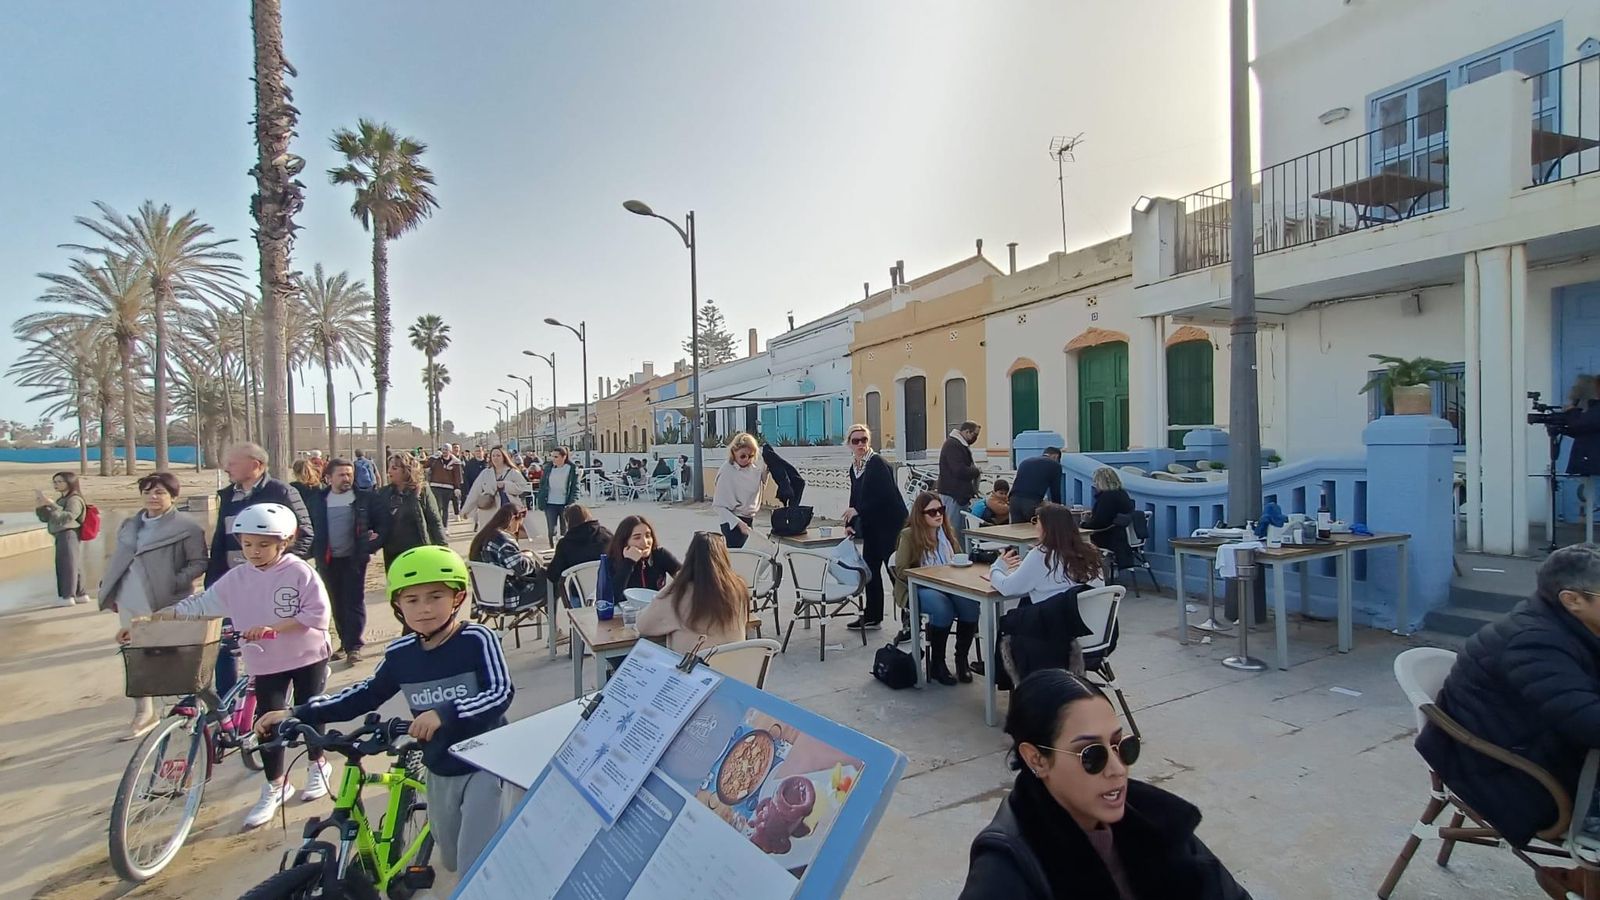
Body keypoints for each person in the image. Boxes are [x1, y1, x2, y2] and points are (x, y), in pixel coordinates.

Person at [256, 545, 513, 877]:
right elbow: (364, 695)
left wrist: (444, 713)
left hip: (484, 762)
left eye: (436, 596)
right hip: (438, 765)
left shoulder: (477, 638)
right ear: (398, 606)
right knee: (450, 856)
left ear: (458, 598)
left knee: (475, 864)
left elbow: (500, 692)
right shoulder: (401, 654)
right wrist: (296, 712)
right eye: (412, 600)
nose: (424, 609)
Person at [127, 503, 334, 829]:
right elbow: (202, 604)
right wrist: (158, 616)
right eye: (247, 544)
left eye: (263, 544)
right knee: (267, 723)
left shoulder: (300, 572)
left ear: (285, 541)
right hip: (264, 661)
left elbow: (317, 616)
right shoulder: (236, 578)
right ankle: (275, 785)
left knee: (309, 712)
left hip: (307, 655)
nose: (254, 551)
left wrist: (272, 628)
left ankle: (317, 765)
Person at [960, 670, 1251, 900]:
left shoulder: (1158, 821)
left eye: (1120, 746)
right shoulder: (1006, 868)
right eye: (1092, 755)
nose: (1117, 769)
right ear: (1037, 759)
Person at [1416, 544, 1600, 849]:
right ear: (1573, 600)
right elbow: (1589, 722)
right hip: (1511, 776)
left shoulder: (1570, 625)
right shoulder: (1533, 643)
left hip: (1541, 745)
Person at [99, 472, 208, 739]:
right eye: (147, 491)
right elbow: (120, 559)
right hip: (129, 597)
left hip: (167, 599)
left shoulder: (187, 527)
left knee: (178, 654)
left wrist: (174, 581)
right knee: (137, 655)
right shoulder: (130, 525)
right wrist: (110, 588)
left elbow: (199, 562)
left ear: (173, 496)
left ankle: (193, 703)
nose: (153, 497)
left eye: (159, 492)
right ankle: (144, 713)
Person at [894, 491, 976, 685]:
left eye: (941, 510)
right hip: (918, 587)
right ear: (920, 515)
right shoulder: (909, 535)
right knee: (942, 607)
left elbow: (959, 557)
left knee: (971, 604)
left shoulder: (946, 532)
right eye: (932, 512)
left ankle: (961, 660)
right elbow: (900, 569)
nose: (938, 515)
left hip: (949, 584)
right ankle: (937, 663)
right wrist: (927, 575)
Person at [306, 458, 383, 665]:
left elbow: (382, 526)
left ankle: (354, 646)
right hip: (328, 561)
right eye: (341, 475)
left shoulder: (364, 499)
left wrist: (371, 545)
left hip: (354, 560)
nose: (347, 478)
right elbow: (309, 528)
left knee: (353, 601)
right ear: (328, 478)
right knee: (335, 603)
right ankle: (344, 642)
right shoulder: (318, 500)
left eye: (349, 474)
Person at [206, 442, 314, 587]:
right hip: (234, 582)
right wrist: (213, 580)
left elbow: (305, 535)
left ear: (255, 465)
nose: (226, 469)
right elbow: (220, 542)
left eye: (232, 464)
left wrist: (279, 569)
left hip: (273, 583)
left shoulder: (281, 493)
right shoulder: (228, 496)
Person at [842, 424, 908, 636]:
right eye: (856, 441)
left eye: (864, 440)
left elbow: (884, 496)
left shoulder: (876, 463)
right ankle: (872, 615)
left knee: (894, 572)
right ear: (849, 444)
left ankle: (909, 622)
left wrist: (857, 510)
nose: (860, 444)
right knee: (870, 571)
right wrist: (850, 524)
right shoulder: (855, 467)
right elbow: (856, 496)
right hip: (872, 526)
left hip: (890, 527)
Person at [638, 531, 750, 653]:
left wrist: (675, 584)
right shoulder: (739, 588)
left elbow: (643, 626)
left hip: (693, 669)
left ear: (689, 559)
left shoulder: (678, 594)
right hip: (733, 668)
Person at [372, 452, 447, 569]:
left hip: (419, 550)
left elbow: (435, 521)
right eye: (389, 468)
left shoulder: (422, 491)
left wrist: (443, 549)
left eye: (394, 468)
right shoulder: (383, 494)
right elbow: (377, 522)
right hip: (393, 554)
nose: (389, 472)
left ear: (406, 470)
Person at [468, 503, 547, 609]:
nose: (518, 528)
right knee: (552, 580)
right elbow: (522, 569)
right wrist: (529, 557)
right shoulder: (503, 539)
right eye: (519, 523)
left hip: (486, 597)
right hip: (509, 596)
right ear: (513, 519)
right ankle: (552, 622)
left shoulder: (485, 536)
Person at [35, 471, 90, 607]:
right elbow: (48, 518)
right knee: (71, 564)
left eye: (60, 481)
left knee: (67, 565)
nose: (56, 484)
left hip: (69, 533)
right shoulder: (62, 500)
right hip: (61, 534)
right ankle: (79, 594)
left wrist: (52, 505)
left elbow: (68, 516)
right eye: (55, 482)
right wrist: (41, 506)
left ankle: (68, 595)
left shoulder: (74, 499)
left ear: (70, 482)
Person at [713, 432, 766, 549]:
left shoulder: (754, 470)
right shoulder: (726, 471)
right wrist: (738, 523)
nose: (746, 459)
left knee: (758, 556)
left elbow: (764, 477)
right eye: (743, 456)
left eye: (751, 456)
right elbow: (718, 506)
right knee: (739, 559)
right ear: (734, 452)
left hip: (748, 519)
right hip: (731, 522)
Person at [607, 515, 681, 597]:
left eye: (648, 536)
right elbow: (611, 598)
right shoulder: (611, 561)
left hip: (655, 606)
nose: (645, 543)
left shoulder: (660, 555)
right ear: (624, 542)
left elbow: (685, 577)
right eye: (637, 538)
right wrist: (628, 563)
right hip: (625, 608)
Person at [547, 505, 613, 596]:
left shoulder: (566, 543)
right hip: (608, 588)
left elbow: (553, 575)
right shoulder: (606, 535)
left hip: (580, 594)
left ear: (568, 522)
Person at [465, 446, 531, 534]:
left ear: (504, 457)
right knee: (489, 536)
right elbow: (474, 492)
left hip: (509, 511)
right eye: (493, 456)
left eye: (498, 455)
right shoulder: (485, 473)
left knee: (508, 537)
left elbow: (524, 487)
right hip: (489, 511)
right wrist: (466, 510)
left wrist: (506, 485)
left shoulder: (512, 472)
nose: (495, 458)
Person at [1081, 467, 1136, 566]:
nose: (1094, 485)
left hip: (1108, 536)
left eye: (1095, 482)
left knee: (1075, 539)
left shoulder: (1106, 497)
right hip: (1120, 536)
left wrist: (1083, 524)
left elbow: (1100, 523)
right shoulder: (1122, 493)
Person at [938, 420, 983, 517]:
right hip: (954, 495)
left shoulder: (957, 444)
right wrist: (976, 471)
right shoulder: (953, 445)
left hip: (956, 494)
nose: (976, 438)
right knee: (954, 527)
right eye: (975, 434)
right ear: (967, 432)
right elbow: (959, 470)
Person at [537, 447, 581, 548]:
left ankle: (565, 549)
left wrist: (572, 502)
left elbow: (575, 487)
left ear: (564, 457)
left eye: (556, 457)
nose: (553, 459)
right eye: (552, 456)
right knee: (551, 530)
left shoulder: (572, 469)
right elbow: (543, 484)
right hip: (550, 503)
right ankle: (552, 548)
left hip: (565, 504)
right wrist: (540, 499)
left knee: (565, 529)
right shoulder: (548, 468)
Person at [1010, 448, 1065, 525]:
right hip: (1031, 502)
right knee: (1035, 530)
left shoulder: (1025, 462)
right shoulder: (1055, 465)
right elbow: (1055, 490)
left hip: (1014, 501)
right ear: (1056, 456)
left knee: (1017, 531)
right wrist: (1057, 509)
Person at [426, 446, 465, 530]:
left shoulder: (455, 463)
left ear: (450, 451)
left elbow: (457, 476)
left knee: (445, 508)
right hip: (436, 486)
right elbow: (425, 465)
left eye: (446, 450)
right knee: (438, 507)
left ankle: (444, 527)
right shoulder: (436, 460)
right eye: (443, 450)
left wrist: (457, 488)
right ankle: (438, 527)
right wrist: (432, 457)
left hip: (448, 488)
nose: (444, 452)